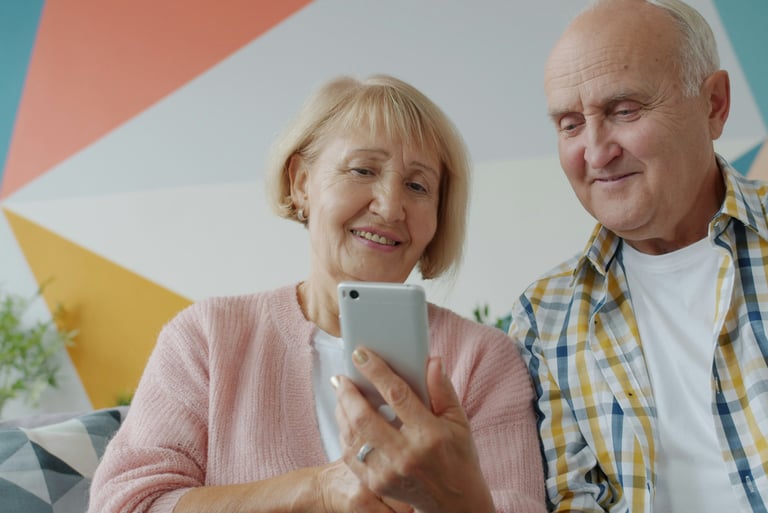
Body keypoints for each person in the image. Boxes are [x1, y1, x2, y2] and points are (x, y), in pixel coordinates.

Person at [88, 74, 546, 513]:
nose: (389, 206)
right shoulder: (207, 338)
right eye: (363, 169)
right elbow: (126, 504)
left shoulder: (484, 362)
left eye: (417, 185)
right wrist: (318, 491)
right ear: (301, 182)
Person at [510, 0, 768, 511]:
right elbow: (573, 499)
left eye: (624, 110)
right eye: (570, 124)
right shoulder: (545, 317)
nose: (596, 151)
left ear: (713, 104)